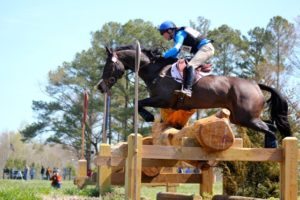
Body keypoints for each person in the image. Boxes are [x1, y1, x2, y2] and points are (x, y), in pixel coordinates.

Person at [158, 20, 214, 97]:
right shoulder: (177, 37)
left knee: (190, 65)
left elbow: (175, 49)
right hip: (201, 50)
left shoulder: (180, 34)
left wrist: (163, 55)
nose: (162, 36)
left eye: (162, 33)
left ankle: (187, 90)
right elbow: (175, 53)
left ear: (169, 30)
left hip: (206, 48)